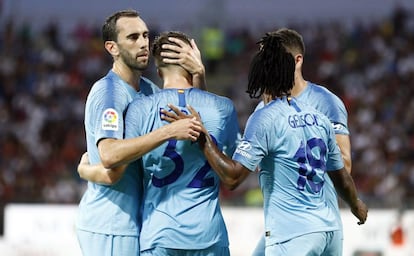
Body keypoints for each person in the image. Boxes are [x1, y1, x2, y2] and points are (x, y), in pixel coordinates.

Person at [195, 31, 368, 255]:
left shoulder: (304, 107)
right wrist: (356, 205)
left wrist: (202, 138)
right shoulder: (316, 117)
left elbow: (233, 176)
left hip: (292, 231)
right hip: (326, 229)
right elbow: (341, 176)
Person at [76, 10, 206, 256]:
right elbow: (110, 156)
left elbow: (198, 119)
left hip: (138, 223)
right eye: (133, 37)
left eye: (146, 35)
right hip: (111, 225)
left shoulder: (149, 90)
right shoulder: (109, 93)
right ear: (112, 48)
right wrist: (168, 131)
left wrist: (199, 75)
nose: (144, 43)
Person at [124, 31, 239, 255]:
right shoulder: (223, 108)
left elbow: (124, 160)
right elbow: (235, 164)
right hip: (209, 236)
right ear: (193, 62)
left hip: (160, 235)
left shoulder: (140, 108)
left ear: (158, 71)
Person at [250, 27, 354, 256]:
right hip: (283, 225)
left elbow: (345, 165)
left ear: (297, 61)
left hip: (314, 223)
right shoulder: (263, 108)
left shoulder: (325, 101)